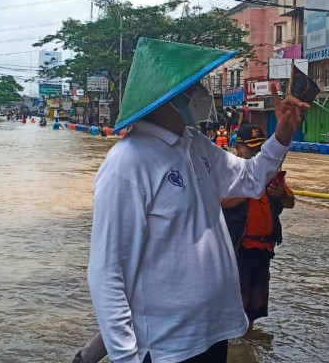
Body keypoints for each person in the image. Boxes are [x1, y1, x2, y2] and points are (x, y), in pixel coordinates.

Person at [86, 38, 308, 363]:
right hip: (166, 347)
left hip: (213, 332)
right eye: (195, 86)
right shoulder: (127, 163)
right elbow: (106, 271)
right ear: (169, 96)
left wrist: (282, 138)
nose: (202, 93)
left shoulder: (195, 145)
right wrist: (125, 357)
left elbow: (250, 178)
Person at [222, 125, 295, 333]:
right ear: (239, 148)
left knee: (254, 305)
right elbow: (220, 202)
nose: (256, 152)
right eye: (251, 148)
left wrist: (281, 194)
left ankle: (247, 340)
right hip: (238, 250)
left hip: (263, 250)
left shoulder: (271, 175)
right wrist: (252, 187)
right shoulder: (229, 172)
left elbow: (291, 202)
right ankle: (234, 344)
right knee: (235, 303)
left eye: (260, 148)